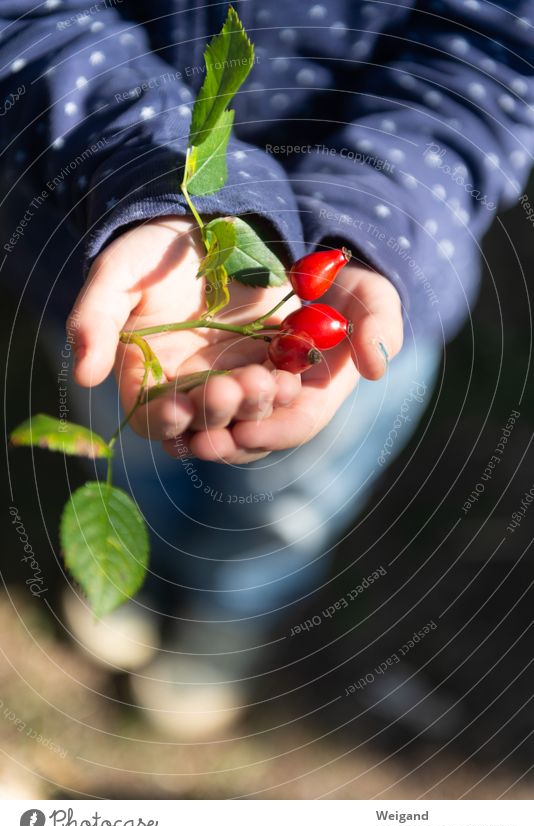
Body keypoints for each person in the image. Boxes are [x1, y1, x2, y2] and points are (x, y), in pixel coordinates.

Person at [2, 1, 532, 738]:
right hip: (118, 254)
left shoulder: (327, 316)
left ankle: (232, 614)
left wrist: (380, 217)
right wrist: (140, 176)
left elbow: (497, 61)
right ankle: (127, 580)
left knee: (291, 504)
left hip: (386, 272)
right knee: (132, 443)